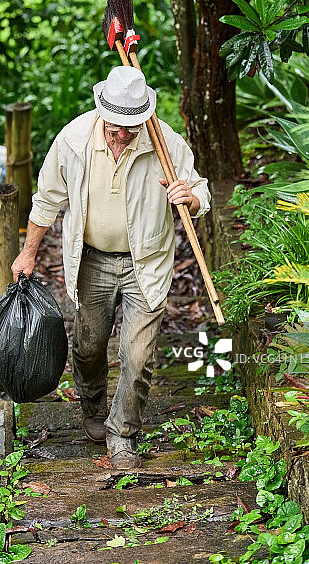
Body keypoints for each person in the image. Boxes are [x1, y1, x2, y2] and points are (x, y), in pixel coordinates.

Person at [11, 65, 210, 469]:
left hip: (145, 261)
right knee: (88, 347)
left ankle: (122, 433)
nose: (121, 135)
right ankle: (92, 404)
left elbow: (200, 193)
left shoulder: (165, 143)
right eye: (115, 126)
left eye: (130, 128)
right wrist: (28, 252)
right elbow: (46, 199)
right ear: (102, 111)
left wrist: (188, 197)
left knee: (137, 356)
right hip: (92, 259)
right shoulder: (74, 140)